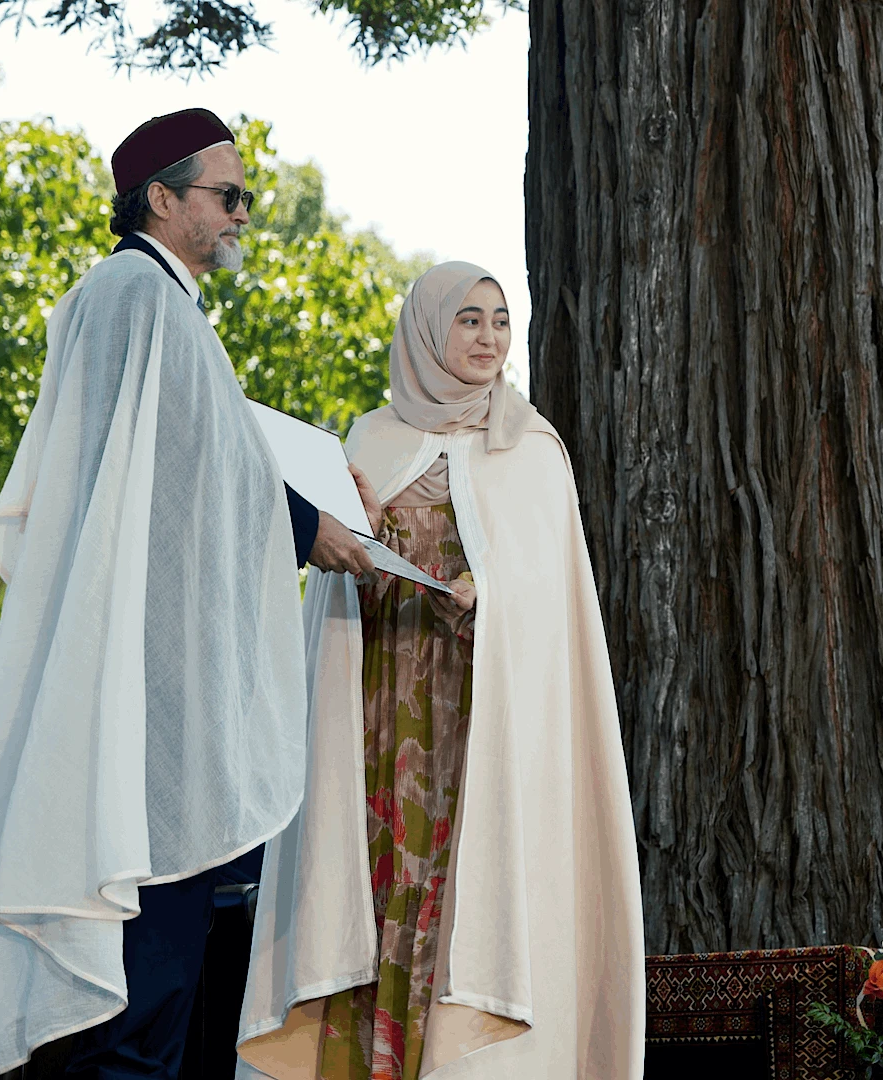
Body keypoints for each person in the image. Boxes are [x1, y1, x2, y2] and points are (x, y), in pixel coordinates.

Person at [0, 108, 376, 1080]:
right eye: (228, 195)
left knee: (152, 1000)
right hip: (146, 709)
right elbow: (199, 479)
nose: (245, 215)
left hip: (144, 690)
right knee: (144, 1001)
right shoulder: (140, 297)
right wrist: (311, 529)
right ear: (161, 199)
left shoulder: (140, 299)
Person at [237, 263, 646, 1079]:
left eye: (499, 321)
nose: (488, 338)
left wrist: (486, 597)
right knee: (376, 882)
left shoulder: (533, 449)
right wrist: (359, 521)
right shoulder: (368, 440)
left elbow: (554, 601)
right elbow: (335, 571)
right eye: (468, 320)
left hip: (480, 723)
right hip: (380, 713)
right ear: (427, 330)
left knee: (465, 889)